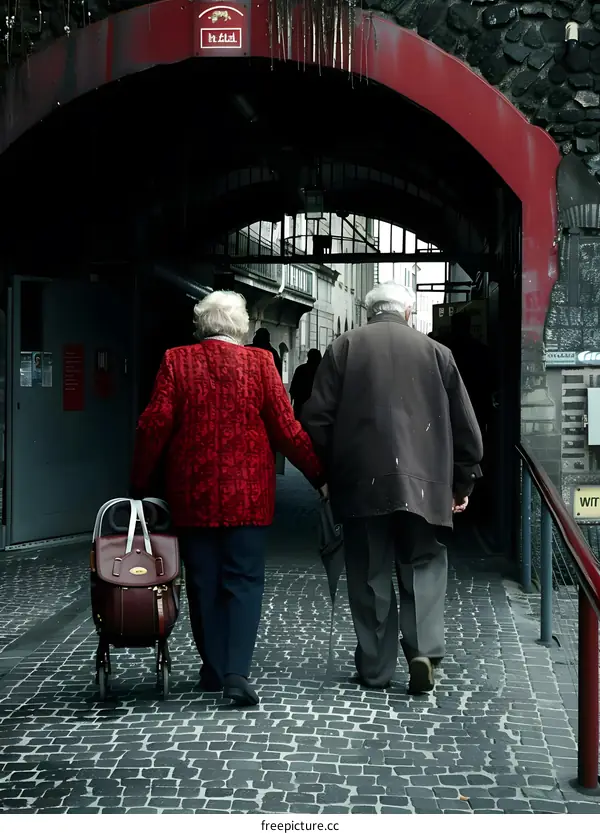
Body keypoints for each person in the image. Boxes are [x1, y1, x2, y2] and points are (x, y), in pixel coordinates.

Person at [130, 291, 325, 707]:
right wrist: (320, 476)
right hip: (249, 498)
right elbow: (286, 428)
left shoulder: (176, 361)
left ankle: (214, 668)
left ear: (201, 325)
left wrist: (139, 484)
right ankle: (236, 671)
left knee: (202, 584)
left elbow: (154, 426)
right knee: (244, 581)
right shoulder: (260, 364)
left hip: (193, 495)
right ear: (242, 326)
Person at [301, 282, 483, 695]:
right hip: (427, 485)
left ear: (369, 311)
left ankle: (376, 667)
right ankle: (423, 652)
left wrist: (328, 475)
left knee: (369, 572)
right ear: (409, 311)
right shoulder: (438, 353)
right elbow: (465, 427)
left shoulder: (344, 347)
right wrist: (463, 480)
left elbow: (316, 419)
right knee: (423, 565)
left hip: (361, 485)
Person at [289, 349, 322, 420]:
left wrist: (292, 403)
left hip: (300, 405)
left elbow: (293, 389)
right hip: (316, 406)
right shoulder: (321, 371)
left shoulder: (300, 369)